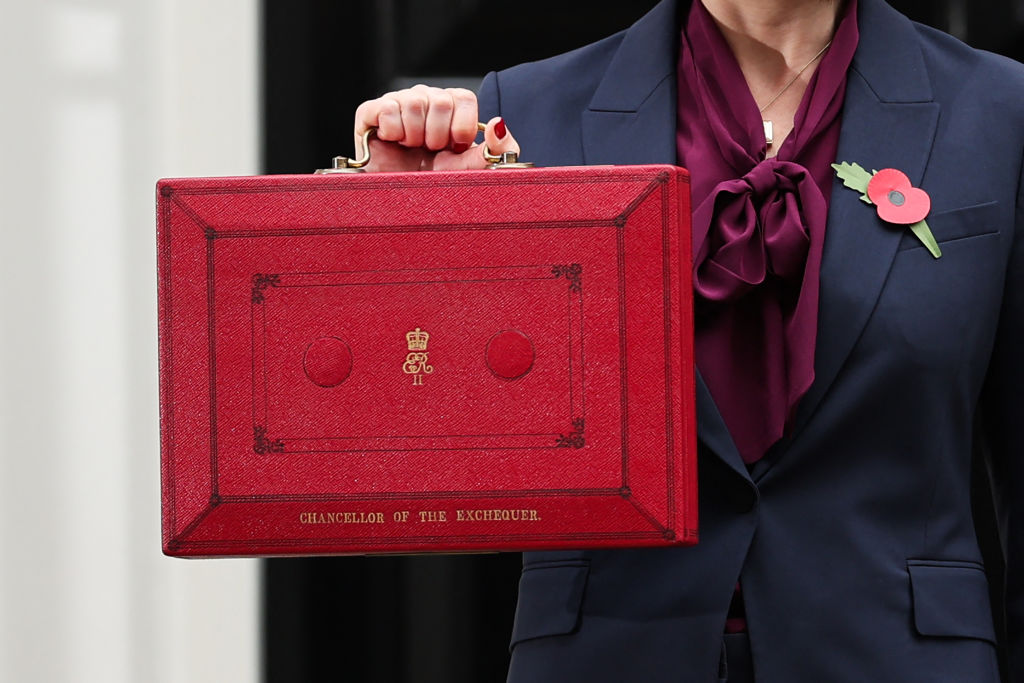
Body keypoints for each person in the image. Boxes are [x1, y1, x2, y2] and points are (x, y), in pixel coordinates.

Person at [354, 0, 1024, 680]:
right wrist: (404, 232)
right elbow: (435, 441)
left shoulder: (1001, 110)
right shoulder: (522, 115)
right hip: (612, 654)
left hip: (897, 656)